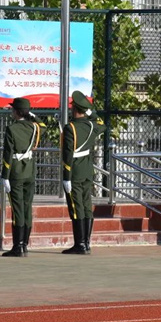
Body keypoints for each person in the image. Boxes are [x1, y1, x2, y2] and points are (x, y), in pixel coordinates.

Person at [61, 91, 106, 255]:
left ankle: (79, 244)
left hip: (75, 171)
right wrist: (90, 112)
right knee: (86, 205)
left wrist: (66, 177)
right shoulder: (92, 126)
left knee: (76, 207)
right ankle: (86, 243)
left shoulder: (70, 128)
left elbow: (68, 154)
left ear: (74, 109)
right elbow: (102, 124)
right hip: (87, 170)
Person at [0, 98, 45, 257]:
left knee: (18, 209)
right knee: (27, 208)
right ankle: (24, 244)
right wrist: (31, 115)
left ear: (17, 112)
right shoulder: (34, 127)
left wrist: (4, 176)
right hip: (29, 171)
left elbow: (8, 154)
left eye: (13, 109)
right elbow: (43, 126)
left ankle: (17, 246)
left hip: (16, 172)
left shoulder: (12, 129)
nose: (11, 112)